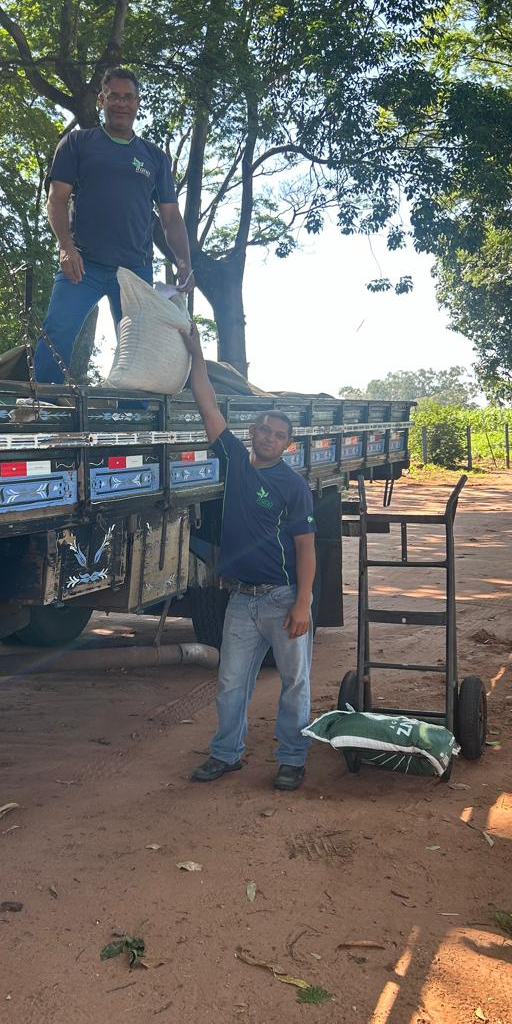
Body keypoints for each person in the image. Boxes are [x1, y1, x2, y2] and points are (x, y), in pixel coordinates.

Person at [181, 322, 317, 791]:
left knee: (294, 683)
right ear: (252, 432)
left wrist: (302, 603)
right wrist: (196, 354)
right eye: (264, 429)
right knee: (230, 682)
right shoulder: (236, 462)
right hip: (241, 599)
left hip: (282, 600)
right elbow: (207, 404)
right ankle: (226, 753)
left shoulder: (293, 486)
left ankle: (292, 759)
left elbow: (306, 547)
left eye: (279, 435)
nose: (269, 437)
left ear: (287, 445)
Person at [33, 67, 193, 383]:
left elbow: (171, 217)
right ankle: (44, 401)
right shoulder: (77, 143)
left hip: (134, 269)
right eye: (114, 97)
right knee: (57, 330)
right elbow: (57, 199)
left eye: (128, 97)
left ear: (137, 103)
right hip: (83, 263)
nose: (121, 103)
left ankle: (133, 409)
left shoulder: (155, 157)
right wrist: (65, 246)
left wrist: (184, 262)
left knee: (139, 348)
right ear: (102, 100)